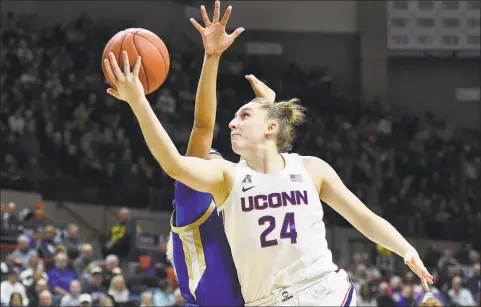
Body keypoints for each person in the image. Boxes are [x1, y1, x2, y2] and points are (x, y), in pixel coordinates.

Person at [103, 15, 433, 307]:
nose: (231, 123)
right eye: (234, 118)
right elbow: (182, 154)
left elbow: (363, 217)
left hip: (327, 291)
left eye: (242, 116)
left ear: (271, 127)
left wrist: (405, 249)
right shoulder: (225, 178)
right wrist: (139, 101)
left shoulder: (310, 168)